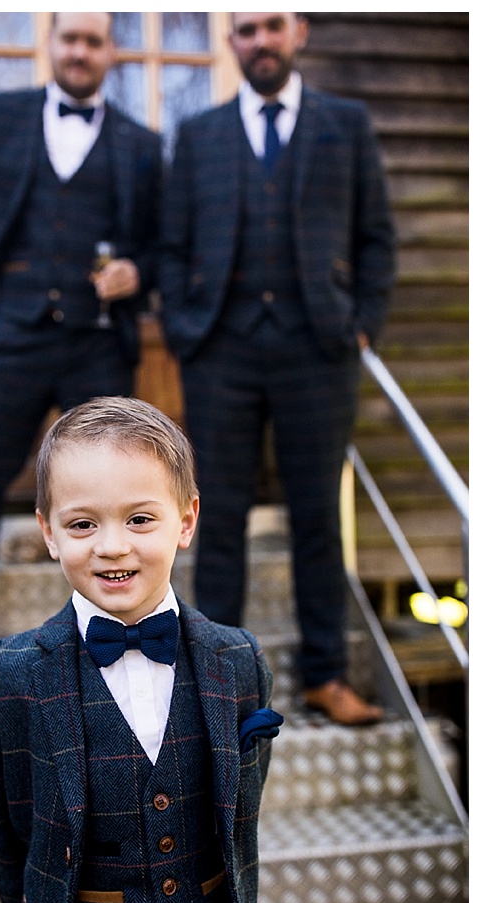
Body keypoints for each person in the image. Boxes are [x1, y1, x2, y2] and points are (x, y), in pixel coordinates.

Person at [0, 397, 281, 903]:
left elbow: (237, 819)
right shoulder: (11, 675)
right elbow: (9, 834)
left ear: (186, 520)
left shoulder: (239, 661)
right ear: (48, 531)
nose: (113, 548)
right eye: (82, 525)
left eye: (140, 519)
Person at [157, 12, 395, 726]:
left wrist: (361, 325)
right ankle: (218, 686)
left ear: (299, 34)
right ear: (231, 43)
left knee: (318, 515)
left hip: (316, 351)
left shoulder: (345, 125)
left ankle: (324, 675)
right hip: (220, 350)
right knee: (216, 516)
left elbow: (377, 236)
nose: (259, 40)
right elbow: (171, 244)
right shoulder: (199, 135)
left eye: (272, 27)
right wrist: (183, 329)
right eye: (245, 29)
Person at [0, 12, 164, 654]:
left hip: (98, 337)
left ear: (110, 53)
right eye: (70, 38)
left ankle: (115, 610)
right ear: (52, 45)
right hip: (16, 325)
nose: (80, 51)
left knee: (111, 480)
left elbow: (161, 243)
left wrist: (137, 271)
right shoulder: (3, 116)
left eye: (93, 41)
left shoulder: (141, 143)